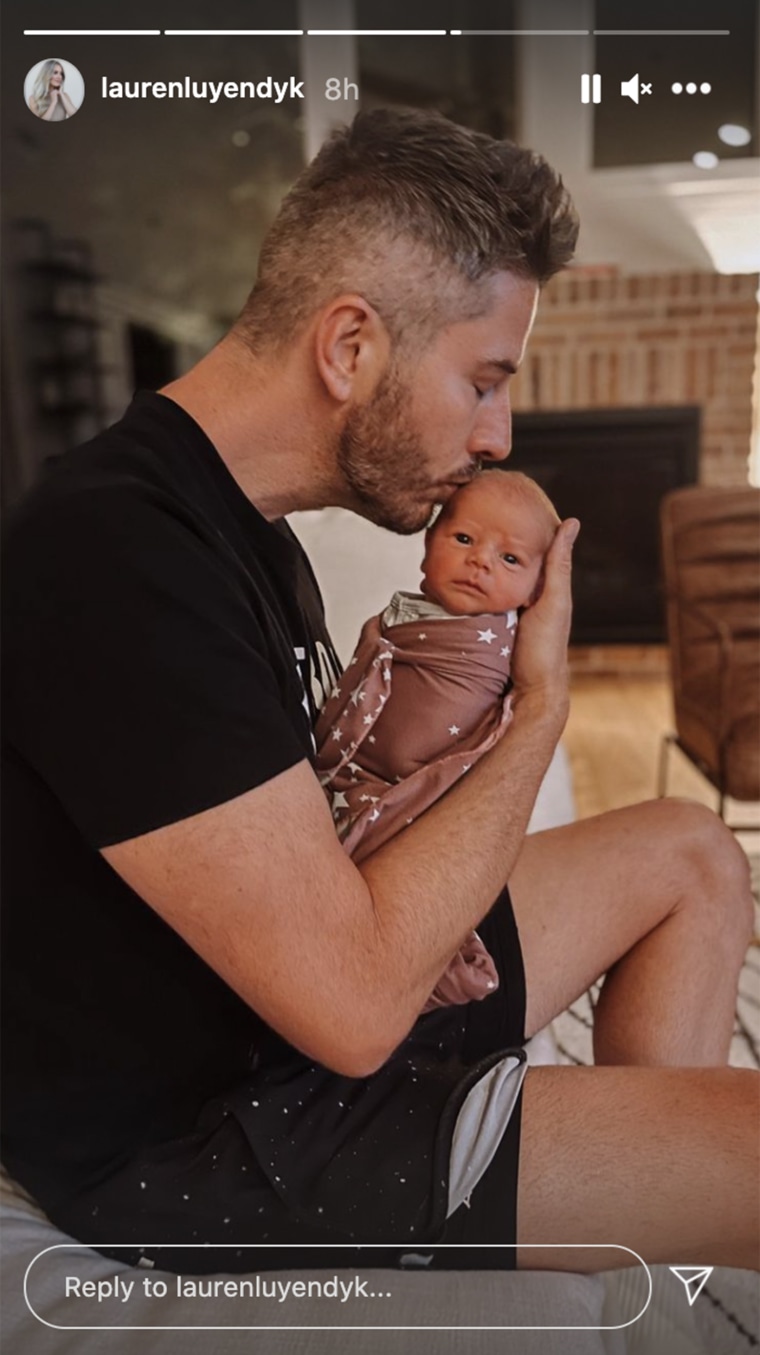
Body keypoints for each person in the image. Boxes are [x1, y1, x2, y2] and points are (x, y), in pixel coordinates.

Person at [2, 109, 757, 1280]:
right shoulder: (111, 558)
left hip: (287, 1018)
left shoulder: (247, 537)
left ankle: (640, 1238)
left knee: (692, 851)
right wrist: (540, 707)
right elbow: (352, 1008)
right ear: (350, 345)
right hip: (219, 1133)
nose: (498, 435)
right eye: (483, 380)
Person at [315, 471, 560, 1012]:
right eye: (465, 540)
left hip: (410, 799)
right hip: (353, 782)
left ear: (538, 590)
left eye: (511, 559)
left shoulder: (492, 646)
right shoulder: (406, 614)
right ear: (428, 546)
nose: (482, 562)